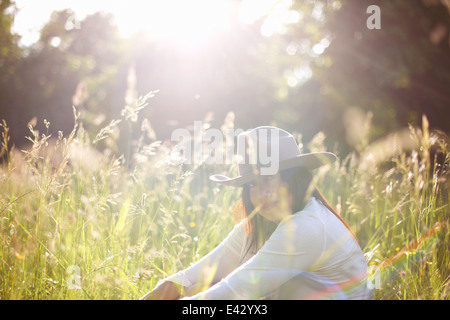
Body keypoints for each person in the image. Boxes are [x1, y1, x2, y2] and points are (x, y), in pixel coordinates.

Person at [141, 126, 373, 300]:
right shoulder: (262, 222)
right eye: (252, 184)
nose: (262, 193)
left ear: (295, 177)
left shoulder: (307, 226)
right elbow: (199, 272)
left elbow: (236, 291)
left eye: (270, 177)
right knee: (198, 287)